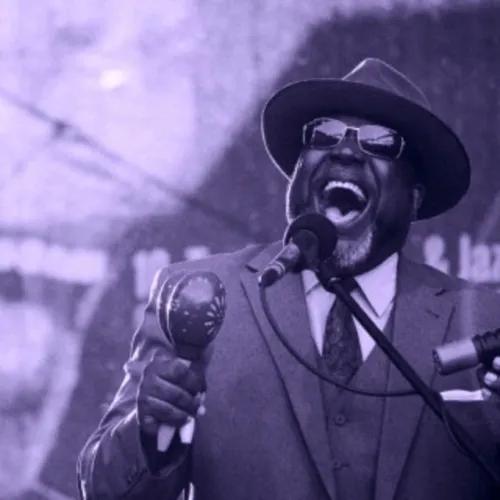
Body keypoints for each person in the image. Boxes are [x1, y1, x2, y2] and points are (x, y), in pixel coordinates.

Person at [77, 58, 500, 500]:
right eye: (324, 134)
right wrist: (150, 432)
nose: (345, 151)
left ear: (414, 199)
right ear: (297, 172)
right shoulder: (198, 294)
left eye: (380, 142)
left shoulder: (481, 321)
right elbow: (103, 491)